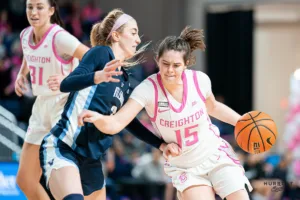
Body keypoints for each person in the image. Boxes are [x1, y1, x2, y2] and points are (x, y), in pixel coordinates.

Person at [78, 26, 254, 200]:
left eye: (176, 65)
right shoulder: (147, 89)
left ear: (186, 64)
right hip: (185, 166)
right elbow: (117, 123)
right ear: (157, 60)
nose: (170, 70)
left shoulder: (199, 80)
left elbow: (213, 107)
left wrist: (243, 123)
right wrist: (98, 118)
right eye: (165, 64)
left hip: (215, 154)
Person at [40, 9, 180, 200]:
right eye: (133, 32)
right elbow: (67, 83)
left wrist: (160, 144)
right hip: (65, 147)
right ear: (115, 35)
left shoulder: (123, 79)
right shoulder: (101, 53)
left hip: (92, 160)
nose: (138, 39)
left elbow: (128, 121)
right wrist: (98, 76)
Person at [15, 0, 89, 199]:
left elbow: (91, 59)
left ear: (51, 10)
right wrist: (22, 74)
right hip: (41, 106)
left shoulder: (59, 37)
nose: (34, 11)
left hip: (63, 105)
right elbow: (29, 54)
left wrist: (68, 79)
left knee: (59, 178)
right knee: (25, 179)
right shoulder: (25, 35)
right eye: (30, 6)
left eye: (39, 7)